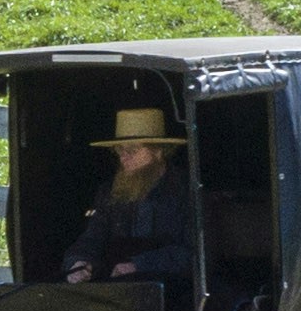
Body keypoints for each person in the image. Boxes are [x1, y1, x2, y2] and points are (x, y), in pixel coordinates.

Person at [65, 104, 200, 300]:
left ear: (158, 151)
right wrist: (79, 262)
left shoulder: (187, 191)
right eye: (119, 150)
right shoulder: (109, 192)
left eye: (132, 150)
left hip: (174, 292)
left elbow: (194, 253)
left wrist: (139, 265)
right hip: (117, 292)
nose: (123, 157)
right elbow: (93, 237)